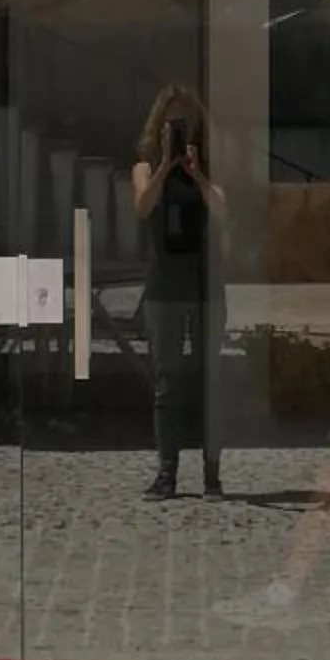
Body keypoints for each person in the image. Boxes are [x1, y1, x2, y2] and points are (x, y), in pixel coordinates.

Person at [132, 83, 227, 501]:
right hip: (165, 287)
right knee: (167, 382)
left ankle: (212, 476)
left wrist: (196, 173)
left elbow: (222, 211)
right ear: (159, 126)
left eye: (186, 122)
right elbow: (142, 206)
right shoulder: (145, 166)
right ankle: (167, 473)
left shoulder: (208, 166)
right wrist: (165, 167)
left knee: (209, 381)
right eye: (172, 122)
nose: (179, 128)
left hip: (205, 286)